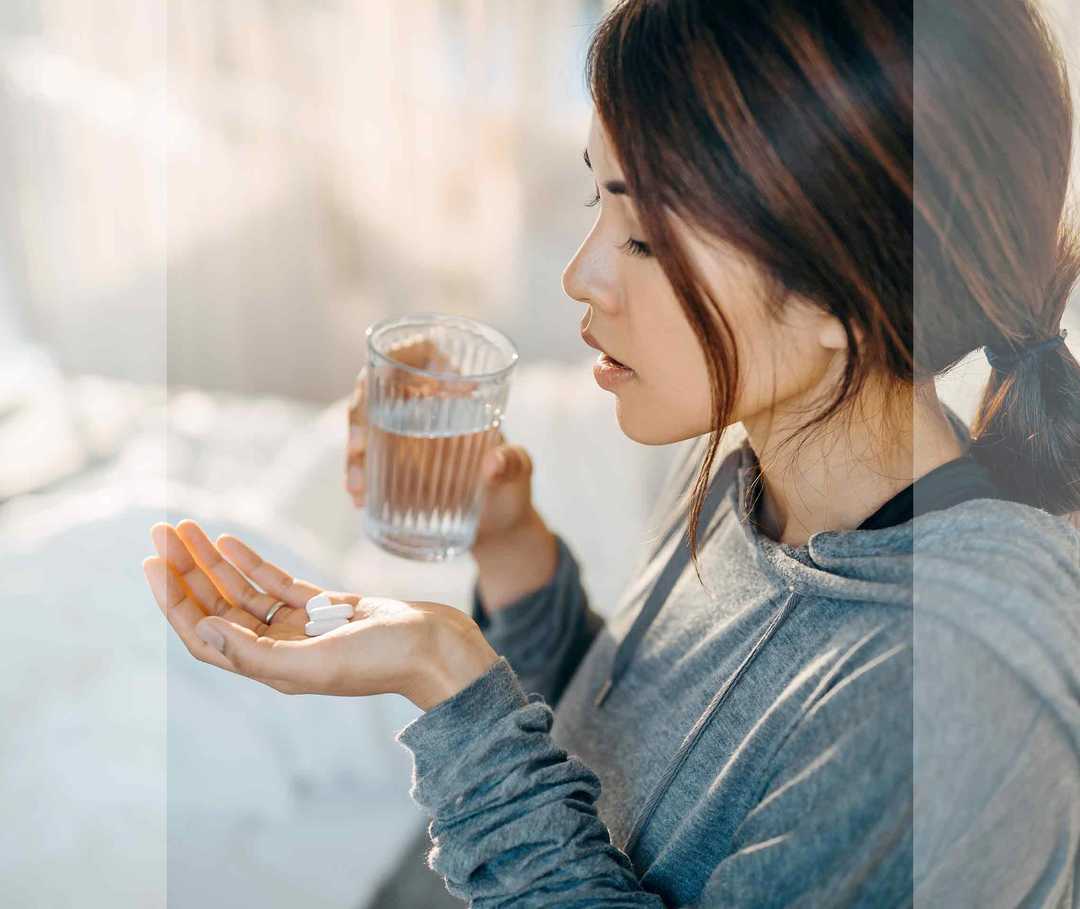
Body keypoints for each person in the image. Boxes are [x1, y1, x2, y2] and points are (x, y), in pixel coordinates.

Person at [143, 0, 1080, 904]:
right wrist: (513, 550)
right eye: (599, 195)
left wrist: (447, 677)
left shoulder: (954, 691)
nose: (578, 273)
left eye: (644, 235)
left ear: (841, 292)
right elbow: (634, 777)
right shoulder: (760, 466)